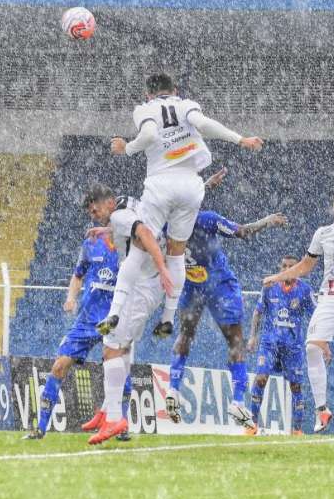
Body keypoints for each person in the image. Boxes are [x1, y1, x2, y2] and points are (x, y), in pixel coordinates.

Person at [98, 73, 263, 340]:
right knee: (176, 254)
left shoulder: (145, 109)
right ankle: (167, 318)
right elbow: (205, 124)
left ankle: (114, 313)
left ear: (148, 94)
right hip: (190, 185)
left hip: (160, 184)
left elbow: (150, 134)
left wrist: (127, 148)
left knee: (139, 250)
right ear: (175, 90)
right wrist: (240, 139)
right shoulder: (186, 105)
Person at [165, 200, 287, 427]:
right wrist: (266, 221)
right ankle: (237, 401)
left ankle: (173, 388)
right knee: (235, 340)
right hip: (219, 284)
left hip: (191, 283)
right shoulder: (206, 219)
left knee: (185, 334)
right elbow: (242, 231)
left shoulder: (167, 224)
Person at [262, 189, 334, 433]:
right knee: (312, 347)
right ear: (333, 206)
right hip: (331, 298)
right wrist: (278, 277)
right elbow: (305, 266)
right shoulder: (322, 234)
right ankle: (322, 409)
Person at [23, 207, 132, 440]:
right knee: (59, 366)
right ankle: (40, 427)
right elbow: (78, 275)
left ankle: (121, 425)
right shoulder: (91, 244)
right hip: (86, 320)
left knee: (120, 370)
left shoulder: (131, 248)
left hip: (114, 319)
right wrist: (71, 297)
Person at [81, 184, 167, 445]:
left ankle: (114, 419)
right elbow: (140, 222)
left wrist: (163, 267)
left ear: (107, 203)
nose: (94, 216)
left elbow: (141, 230)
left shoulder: (119, 215)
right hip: (144, 284)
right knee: (123, 345)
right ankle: (108, 409)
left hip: (142, 286)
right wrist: (105, 230)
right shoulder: (126, 202)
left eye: (95, 211)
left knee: (111, 347)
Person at [247, 255, 315, 435]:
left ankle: (297, 430)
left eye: (291, 267)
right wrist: (253, 337)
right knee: (260, 378)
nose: (286, 270)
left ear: (298, 269)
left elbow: (316, 316)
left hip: (294, 346)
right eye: (283, 266)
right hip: (269, 343)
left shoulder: (305, 290)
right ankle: (251, 425)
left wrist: (318, 340)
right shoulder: (269, 287)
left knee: (296, 386)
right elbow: (257, 312)